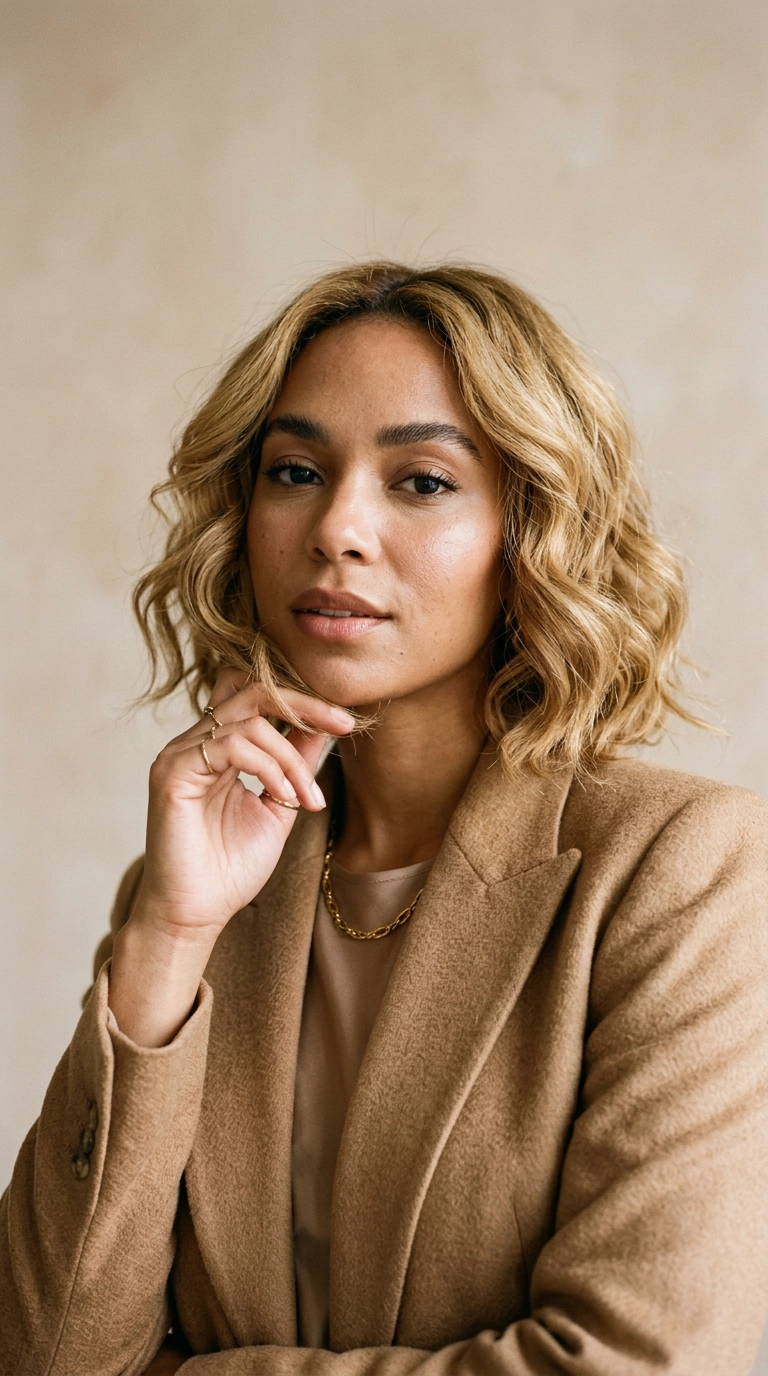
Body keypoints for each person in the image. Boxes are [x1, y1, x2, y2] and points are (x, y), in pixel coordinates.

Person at [1, 262, 766, 1376]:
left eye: (422, 481)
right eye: (296, 471)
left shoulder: (684, 869)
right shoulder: (198, 894)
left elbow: (642, 1361)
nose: (338, 528)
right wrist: (167, 935)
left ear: (531, 527)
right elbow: (47, 1351)